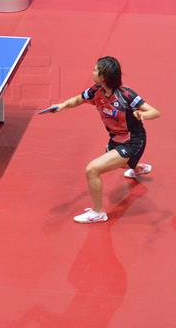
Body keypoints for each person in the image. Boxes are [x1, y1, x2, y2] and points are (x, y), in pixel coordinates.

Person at [44, 57, 161, 224]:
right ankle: (138, 167)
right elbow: (78, 99)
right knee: (121, 164)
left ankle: (98, 213)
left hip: (133, 141)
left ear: (104, 76)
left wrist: (142, 114)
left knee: (92, 170)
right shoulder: (96, 91)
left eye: (95, 69)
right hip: (116, 138)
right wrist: (61, 106)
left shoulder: (126, 95)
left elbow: (155, 112)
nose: (92, 72)